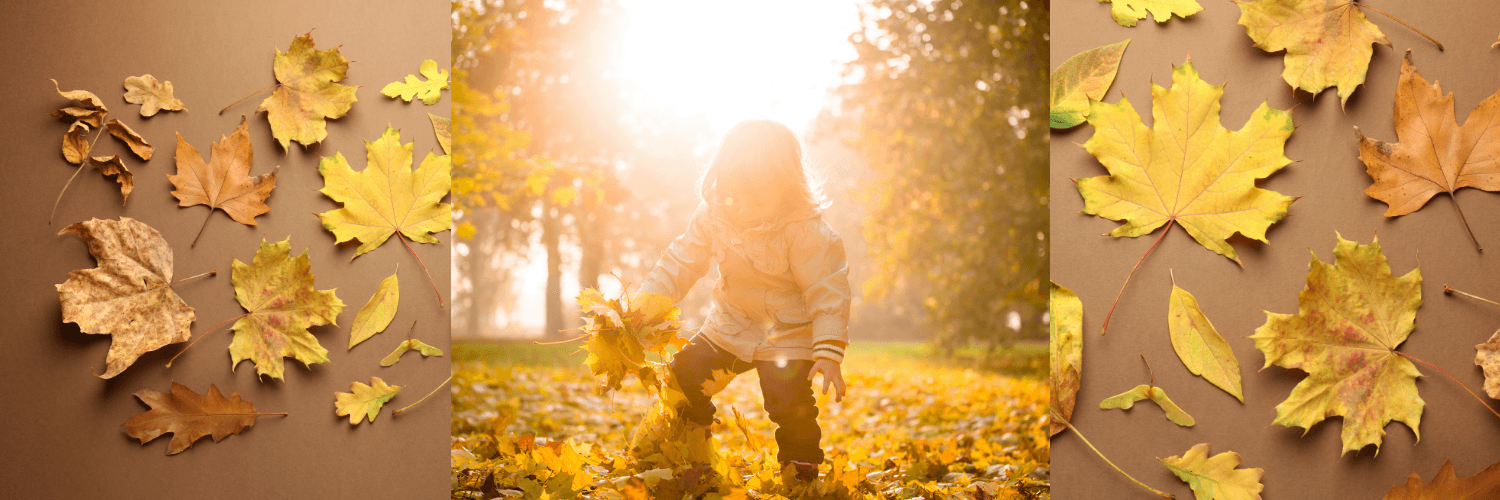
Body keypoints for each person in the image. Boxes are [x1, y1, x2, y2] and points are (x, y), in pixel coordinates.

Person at [637, 119, 851, 482]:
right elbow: (680, 263)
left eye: (758, 197)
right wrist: (643, 309)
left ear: (786, 187)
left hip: (788, 333)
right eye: (735, 194)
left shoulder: (806, 231)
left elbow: (828, 290)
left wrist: (828, 351)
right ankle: (693, 447)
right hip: (731, 324)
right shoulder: (714, 216)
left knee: (789, 403)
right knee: (683, 375)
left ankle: (801, 469)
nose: (743, 207)